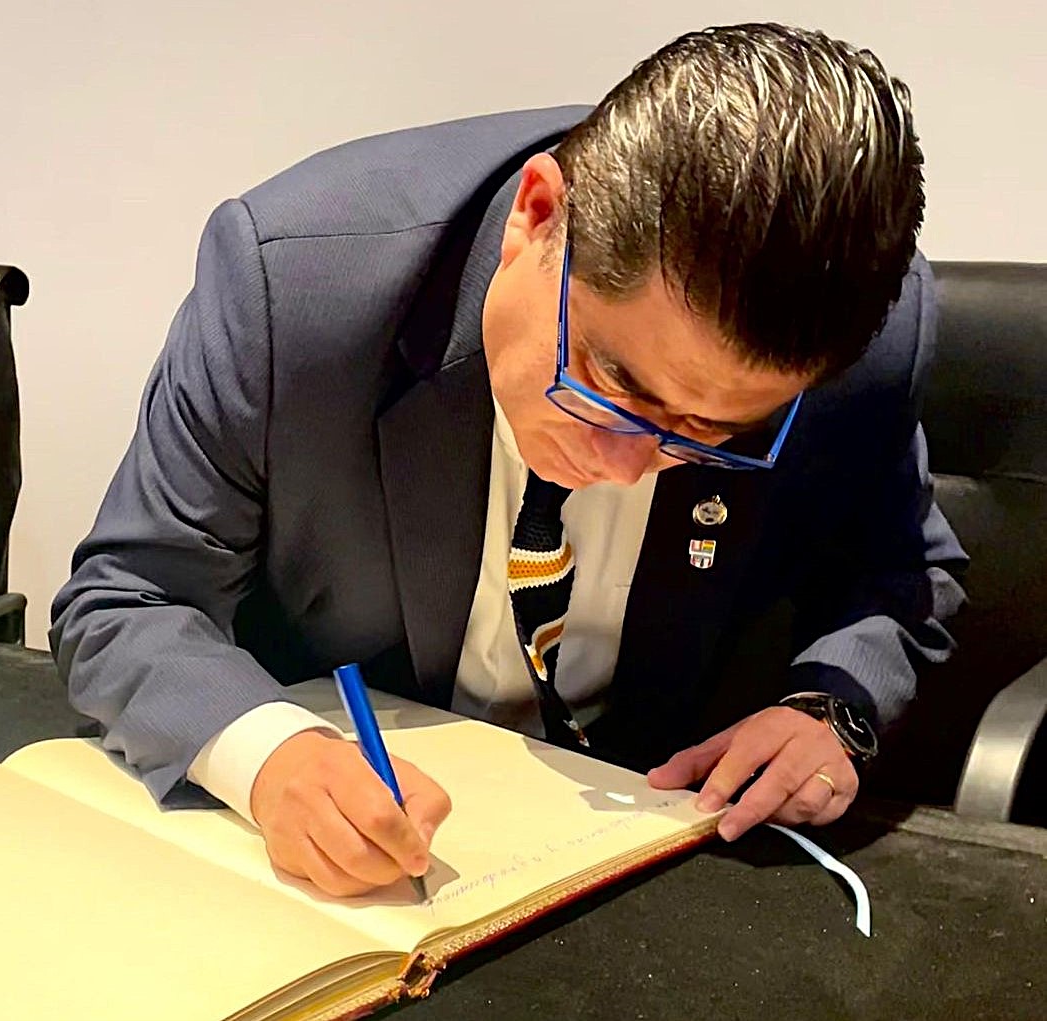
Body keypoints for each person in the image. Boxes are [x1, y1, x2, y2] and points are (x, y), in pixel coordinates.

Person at [51, 23, 966, 898]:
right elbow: (130, 594)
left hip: (650, 853)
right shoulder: (293, 287)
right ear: (537, 216)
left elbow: (901, 574)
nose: (624, 463)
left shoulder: (859, 355)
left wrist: (829, 707)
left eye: (711, 430)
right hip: (347, 863)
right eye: (611, 380)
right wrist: (266, 755)